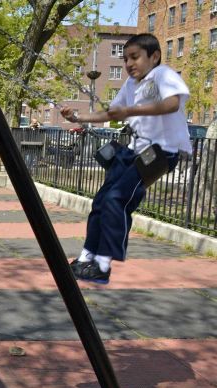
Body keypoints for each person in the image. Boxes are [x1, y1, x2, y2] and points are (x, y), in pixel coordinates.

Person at [61, 33, 189, 284]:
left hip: (161, 152)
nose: (129, 64)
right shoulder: (130, 85)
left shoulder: (163, 76)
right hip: (134, 150)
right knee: (100, 201)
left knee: (116, 199)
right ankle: (87, 257)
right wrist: (77, 118)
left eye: (134, 57)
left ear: (154, 57)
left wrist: (130, 111)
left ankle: (103, 265)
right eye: (125, 59)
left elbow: (172, 104)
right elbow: (111, 113)